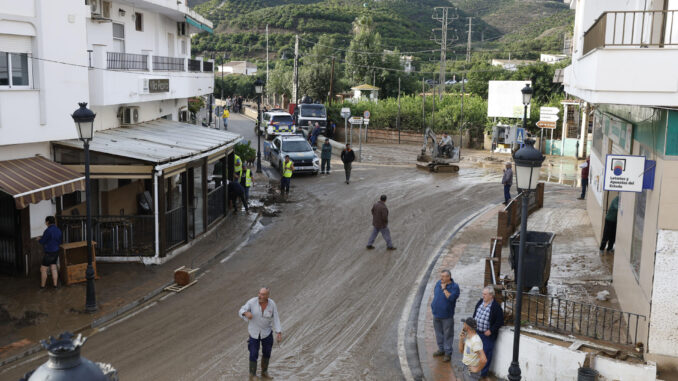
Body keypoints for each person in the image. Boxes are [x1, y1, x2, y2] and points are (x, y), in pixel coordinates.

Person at [239, 287, 283, 380]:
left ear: (267, 296)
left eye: (263, 294)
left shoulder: (272, 304)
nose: (260, 296)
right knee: (253, 353)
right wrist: (246, 313)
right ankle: (252, 374)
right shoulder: (251, 302)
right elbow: (241, 310)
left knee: (267, 352)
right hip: (254, 333)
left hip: (266, 333)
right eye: (259, 293)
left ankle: (264, 372)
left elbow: (276, 318)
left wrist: (278, 332)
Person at [472, 286, 503, 379]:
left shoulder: (496, 307)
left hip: (487, 335)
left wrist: (491, 330)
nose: (483, 296)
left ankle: (483, 374)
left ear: (491, 295)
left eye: (485, 294)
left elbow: (499, 322)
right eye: (483, 294)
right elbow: (475, 314)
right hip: (477, 332)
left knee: (486, 355)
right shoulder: (480, 302)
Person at [431, 269, 460, 362]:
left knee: (448, 334)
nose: (441, 278)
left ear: (449, 277)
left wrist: (444, 289)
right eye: (441, 276)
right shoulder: (438, 283)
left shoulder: (455, 287)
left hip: (447, 316)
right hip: (436, 314)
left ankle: (448, 353)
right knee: (438, 333)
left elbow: (451, 298)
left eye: (443, 276)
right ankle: (441, 349)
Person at [39, 216, 62, 289]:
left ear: (48, 222)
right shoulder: (58, 230)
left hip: (49, 252)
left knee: (43, 269)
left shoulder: (48, 230)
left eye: (45, 221)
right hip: (56, 251)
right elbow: (60, 241)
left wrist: (39, 239)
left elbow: (43, 241)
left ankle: (42, 286)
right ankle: (55, 285)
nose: (45, 223)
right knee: (53, 268)